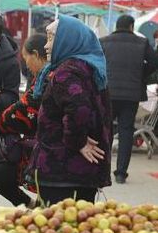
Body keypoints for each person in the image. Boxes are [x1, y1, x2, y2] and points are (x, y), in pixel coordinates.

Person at [29, 15, 112, 204]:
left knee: (55, 227)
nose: (46, 46)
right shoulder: (90, 67)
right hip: (81, 171)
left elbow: (79, 109)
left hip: (62, 170)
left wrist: (78, 141)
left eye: (51, 38)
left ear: (67, 40)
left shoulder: (67, 71)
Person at [0, 34, 48, 207]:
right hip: (40, 149)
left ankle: (38, 208)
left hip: (51, 155)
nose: (26, 65)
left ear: (35, 54)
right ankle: (32, 205)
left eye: (26, 58)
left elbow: (25, 109)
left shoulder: (51, 77)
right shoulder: (42, 76)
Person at [100, 15, 158, 184]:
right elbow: (155, 62)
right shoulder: (142, 43)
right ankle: (120, 173)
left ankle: (102, 169)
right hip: (131, 95)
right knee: (126, 132)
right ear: (132, 27)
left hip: (108, 93)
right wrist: (141, 74)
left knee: (105, 130)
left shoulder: (104, 41)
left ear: (117, 26)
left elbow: (97, 63)